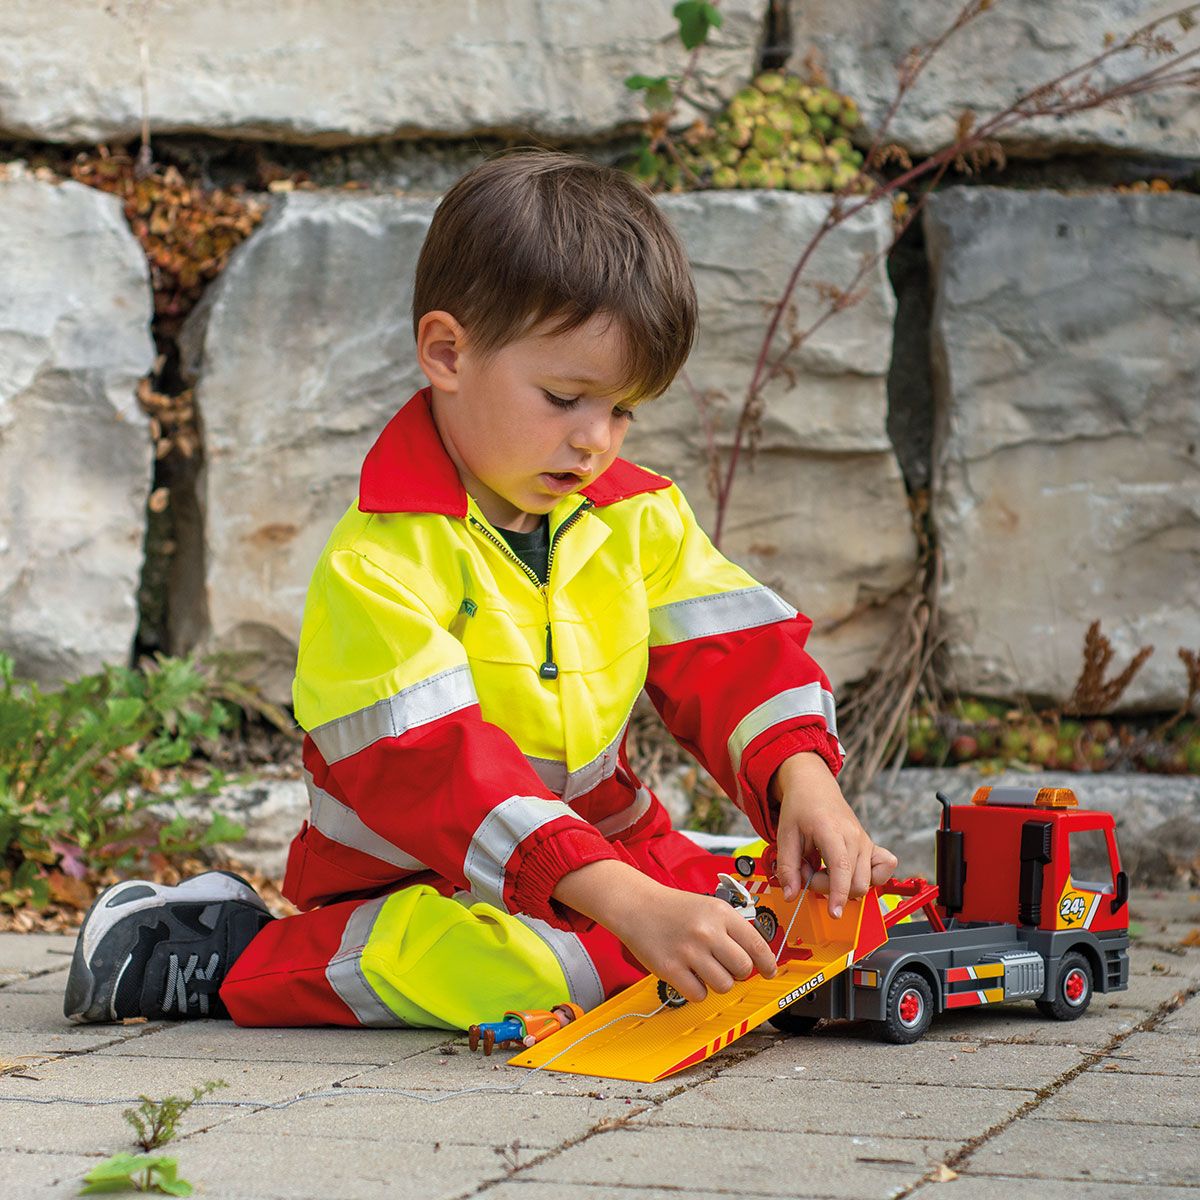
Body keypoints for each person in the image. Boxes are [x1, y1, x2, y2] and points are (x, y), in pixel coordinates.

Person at [65, 149, 896, 1030]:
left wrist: (805, 783)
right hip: (423, 878)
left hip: (597, 854)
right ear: (448, 353)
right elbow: (444, 773)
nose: (595, 443)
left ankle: (681, 900)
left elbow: (734, 657)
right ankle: (222, 951)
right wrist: (630, 903)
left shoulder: (635, 515)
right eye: (565, 397)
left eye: (622, 411)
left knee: (811, 928)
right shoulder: (377, 565)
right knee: (545, 974)